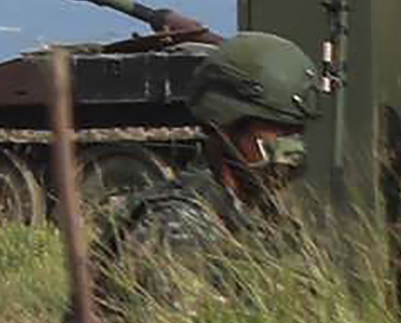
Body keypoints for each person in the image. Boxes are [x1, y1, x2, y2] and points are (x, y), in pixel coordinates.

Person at [96, 31, 319, 302]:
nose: (293, 152)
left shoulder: (267, 222)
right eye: (278, 134)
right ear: (223, 126)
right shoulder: (177, 227)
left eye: (297, 134)